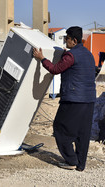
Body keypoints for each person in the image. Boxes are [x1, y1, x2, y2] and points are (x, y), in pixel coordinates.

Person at [33, 26, 96, 171]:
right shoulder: (88, 54)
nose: (65, 40)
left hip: (74, 100)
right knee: (82, 133)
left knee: (60, 128)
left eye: (66, 38)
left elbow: (55, 69)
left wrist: (42, 58)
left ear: (74, 40)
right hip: (89, 100)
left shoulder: (71, 56)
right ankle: (80, 164)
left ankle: (71, 160)